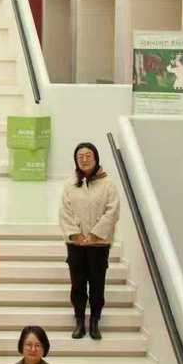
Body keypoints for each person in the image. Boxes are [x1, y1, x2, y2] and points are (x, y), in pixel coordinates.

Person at [59, 141, 120, 341]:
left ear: (96, 158)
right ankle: (79, 321)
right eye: (80, 156)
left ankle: (94, 322)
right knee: (77, 284)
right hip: (76, 244)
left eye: (88, 156)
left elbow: (112, 212)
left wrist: (95, 234)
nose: (84, 159)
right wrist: (75, 235)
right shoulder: (70, 184)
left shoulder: (108, 184)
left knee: (96, 284)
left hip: (98, 244)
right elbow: (64, 212)